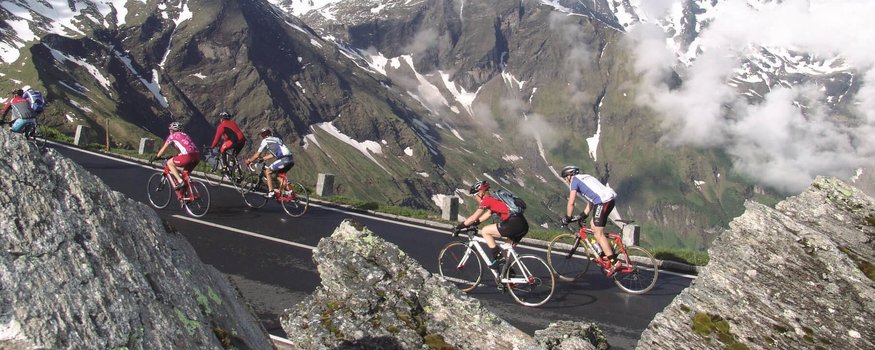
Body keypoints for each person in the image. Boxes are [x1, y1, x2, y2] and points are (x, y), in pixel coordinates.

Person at [559, 165, 620, 276]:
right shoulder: (586, 177)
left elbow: (571, 202)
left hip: (602, 202)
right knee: (593, 225)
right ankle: (607, 252)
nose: (565, 180)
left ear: (569, 176)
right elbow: (592, 198)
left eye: (565, 178)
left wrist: (567, 217)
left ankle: (614, 263)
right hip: (609, 200)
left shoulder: (574, 181)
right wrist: (584, 214)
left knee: (598, 234)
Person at [455, 180, 529, 270]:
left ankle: (498, 257)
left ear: (480, 193)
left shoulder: (487, 200)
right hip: (522, 225)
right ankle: (509, 277)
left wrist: (458, 227)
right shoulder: (495, 199)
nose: (475, 198)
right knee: (506, 251)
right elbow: (486, 215)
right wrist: (475, 223)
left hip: (512, 224)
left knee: (485, 231)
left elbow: (473, 217)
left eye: (475, 196)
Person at [245, 127, 294, 198]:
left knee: (268, 171)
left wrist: (249, 160)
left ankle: (271, 193)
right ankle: (290, 192)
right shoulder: (277, 139)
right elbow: (273, 154)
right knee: (279, 176)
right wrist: (262, 159)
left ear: (263, 135)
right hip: (291, 160)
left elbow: (257, 155)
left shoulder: (265, 141)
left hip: (284, 160)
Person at [155, 122, 200, 190]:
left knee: (169, 163)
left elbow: (163, 148)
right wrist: (176, 156)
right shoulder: (185, 135)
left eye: (170, 129)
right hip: (197, 156)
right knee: (185, 174)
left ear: (172, 130)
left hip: (188, 156)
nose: (170, 131)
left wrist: (157, 157)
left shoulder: (172, 136)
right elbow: (185, 148)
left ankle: (180, 181)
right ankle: (186, 196)